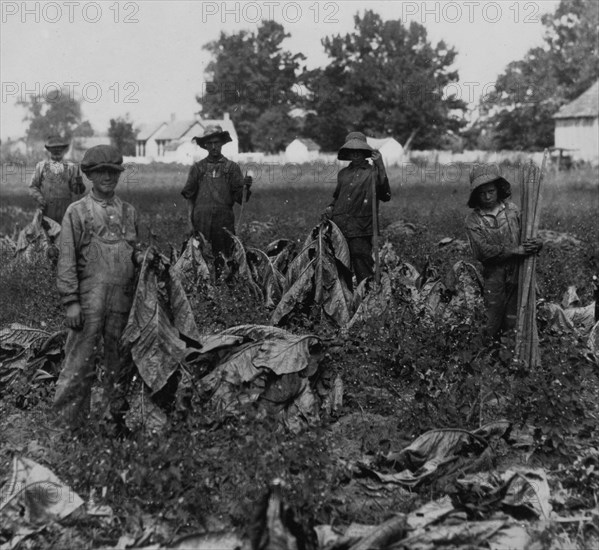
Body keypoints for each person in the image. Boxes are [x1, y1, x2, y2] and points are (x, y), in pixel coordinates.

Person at [54, 145, 145, 433]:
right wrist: (71, 302)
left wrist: (145, 258)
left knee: (119, 364)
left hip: (122, 300)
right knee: (79, 365)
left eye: (113, 172)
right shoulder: (76, 211)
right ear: (90, 175)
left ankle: (112, 423)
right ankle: (66, 430)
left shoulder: (129, 212)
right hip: (89, 300)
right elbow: (66, 258)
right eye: (100, 172)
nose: (107, 177)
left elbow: (136, 251)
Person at [465, 164, 543, 341]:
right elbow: (482, 252)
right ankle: (485, 358)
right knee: (491, 321)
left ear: (498, 190)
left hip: (518, 271)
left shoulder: (513, 211)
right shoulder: (473, 220)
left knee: (513, 321)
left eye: (491, 191)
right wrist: (516, 250)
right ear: (476, 194)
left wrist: (537, 243)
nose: (487, 196)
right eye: (482, 193)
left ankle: (509, 359)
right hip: (494, 276)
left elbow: (529, 236)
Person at [181, 125, 252, 276]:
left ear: (222, 144)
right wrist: (189, 223)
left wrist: (246, 186)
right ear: (205, 145)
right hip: (201, 221)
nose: (214, 147)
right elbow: (189, 198)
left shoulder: (231, 168)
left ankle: (223, 292)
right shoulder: (198, 168)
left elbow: (241, 198)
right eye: (210, 143)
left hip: (223, 221)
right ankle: (204, 293)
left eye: (217, 143)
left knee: (224, 260)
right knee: (200, 261)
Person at [324, 131, 391, 285]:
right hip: (340, 226)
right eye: (352, 151)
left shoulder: (372, 172)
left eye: (359, 151)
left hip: (361, 227)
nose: (355, 154)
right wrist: (329, 207)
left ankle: (367, 300)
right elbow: (337, 197)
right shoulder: (343, 174)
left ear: (364, 152)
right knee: (340, 266)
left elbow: (386, 195)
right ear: (347, 152)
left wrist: (381, 166)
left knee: (362, 264)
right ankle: (345, 303)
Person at [29, 135, 85, 223]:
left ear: (64, 150)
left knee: (65, 232)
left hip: (65, 209)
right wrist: (40, 199)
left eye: (59, 148)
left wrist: (79, 184)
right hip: (47, 208)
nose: (57, 151)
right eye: (53, 149)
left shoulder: (71, 167)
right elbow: (33, 187)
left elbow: (76, 189)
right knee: (47, 234)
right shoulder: (41, 166)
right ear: (49, 150)